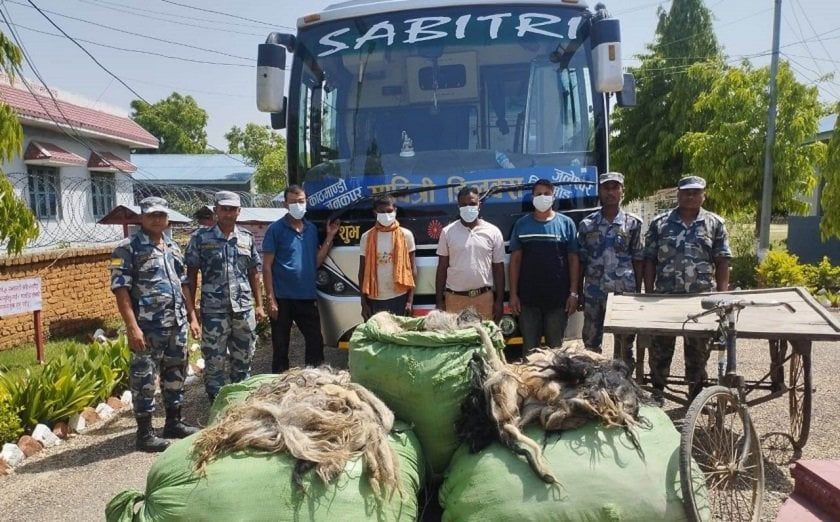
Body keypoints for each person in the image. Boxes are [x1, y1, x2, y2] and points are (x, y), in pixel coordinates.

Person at [110, 196, 199, 452]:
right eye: (151, 215)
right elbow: (120, 289)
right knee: (144, 379)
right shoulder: (126, 248)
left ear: (167, 218)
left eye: (161, 215)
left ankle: (174, 422)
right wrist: (132, 327)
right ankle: (145, 434)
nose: (157, 219)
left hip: (176, 324)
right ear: (142, 217)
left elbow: (183, 284)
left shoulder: (172, 246)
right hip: (147, 328)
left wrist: (192, 317)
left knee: (176, 374)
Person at [644, 175, 731, 405]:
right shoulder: (660, 224)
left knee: (698, 352)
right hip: (665, 298)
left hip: (700, 300)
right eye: (686, 192)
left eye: (696, 192)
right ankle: (658, 392)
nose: (690, 196)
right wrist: (649, 292)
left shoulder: (714, 223)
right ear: (678, 194)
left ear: (703, 195)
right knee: (660, 349)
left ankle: (696, 393)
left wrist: (722, 295)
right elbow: (649, 259)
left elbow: (722, 260)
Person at [185, 191, 264, 403]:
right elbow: (190, 277)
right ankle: (217, 405)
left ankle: (240, 404)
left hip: (243, 310)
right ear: (216, 211)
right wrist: (192, 314)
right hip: (214, 312)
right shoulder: (201, 239)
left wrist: (259, 305)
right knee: (214, 363)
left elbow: (254, 273)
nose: (228, 213)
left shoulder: (246, 238)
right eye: (224, 209)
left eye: (232, 209)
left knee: (244, 360)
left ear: (239, 211)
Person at [262, 185, 340, 373]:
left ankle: (314, 378)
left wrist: (329, 237)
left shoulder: (311, 229)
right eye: (293, 202)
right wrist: (270, 298)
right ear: (285, 204)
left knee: (315, 341)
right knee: (281, 345)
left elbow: (316, 262)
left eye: (301, 201)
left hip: (306, 296)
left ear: (306, 202)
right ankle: (279, 382)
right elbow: (266, 266)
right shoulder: (275, 229)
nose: (298, 205)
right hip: (282, 297)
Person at [577, 172, 643, 367]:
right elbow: (581, 261)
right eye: (606, 188)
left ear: (623, 191)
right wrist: (578, 291)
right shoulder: (587, 224)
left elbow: (638, 259)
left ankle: (623, 381)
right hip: (594, 292)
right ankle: (592, 381)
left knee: (624, 345)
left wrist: (639, 293)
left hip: (623, 293)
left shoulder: (633, 223)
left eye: (615, 188)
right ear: (599, 191)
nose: (610, 192)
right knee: (590, 345)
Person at [509, 179, 580, 351]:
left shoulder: (566, 224)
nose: (542, 197)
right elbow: (515, 261)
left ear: (553, 197)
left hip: (558, 301)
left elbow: (573, 260)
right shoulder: (522, 225)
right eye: (538, 194)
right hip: (528, 300)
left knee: (555, 351)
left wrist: (573, 293)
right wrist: (513, 294)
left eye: (546, 194)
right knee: (530, 350)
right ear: (532, 198)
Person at [435, 186, 505, 322]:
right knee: (456, 335)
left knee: (485, 335)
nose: (468, 208)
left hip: (484, 298)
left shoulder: (493, 232)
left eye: (472, 204)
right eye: (464, 205)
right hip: (455, 299)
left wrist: (499, 301)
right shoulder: (447, 232)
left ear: (479, 204)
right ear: (458, 206)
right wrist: (439, 301)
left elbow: (498, 269)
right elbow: (442, 268)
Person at [358, 194, 416, 320]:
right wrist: (363, 303)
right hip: (374, 298)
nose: (386, 215)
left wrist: (409, 301)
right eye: (382, 212)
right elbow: (362, 272)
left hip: (399, 296)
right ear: (375, 213)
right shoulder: (366, 237)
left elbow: (412, 270)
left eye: (389, 211)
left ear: (395, 210)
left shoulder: (406, 235)